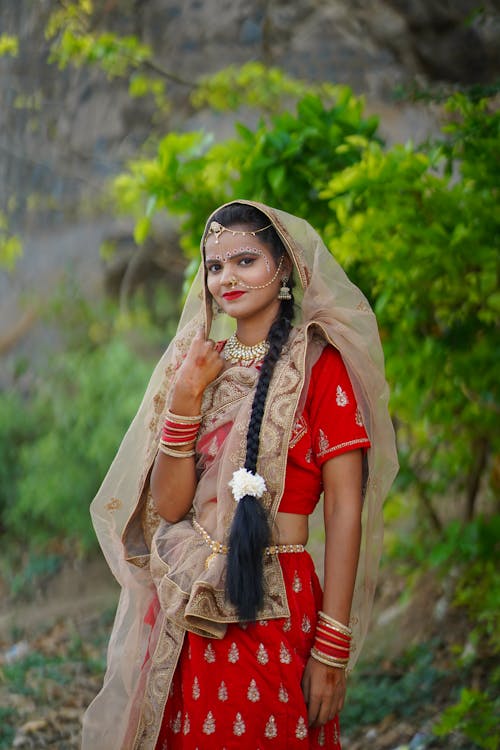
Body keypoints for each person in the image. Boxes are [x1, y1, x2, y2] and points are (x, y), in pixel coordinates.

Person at [82, 200, 398, 749]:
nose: (226, 277)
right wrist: (184, 395)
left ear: (284, 268)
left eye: (245, 260)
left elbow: (346, 509)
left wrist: (332, 644)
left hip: (277, 602)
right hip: (193, 605)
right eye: (215, 265)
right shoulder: (199, 366)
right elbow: (172, 507)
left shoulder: (322, 367)